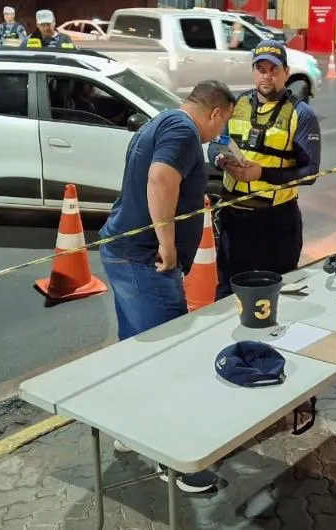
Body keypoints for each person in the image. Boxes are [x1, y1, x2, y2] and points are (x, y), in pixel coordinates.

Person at [98, 80, 235, 493]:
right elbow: (160, 180)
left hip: (122, 249)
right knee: (168, 356)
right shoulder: (183, 132)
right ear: (215, 113)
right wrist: (167, 244)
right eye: (223, 123)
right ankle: (174, 460)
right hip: (145, 258)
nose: (220, 133)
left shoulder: (161, 121)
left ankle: (129, 427)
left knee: (137, 348)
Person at [208, 40, 322, 299]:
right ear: (253, 71)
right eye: (261, 69)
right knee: (228, 291)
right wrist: (221, 161)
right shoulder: (236, 104)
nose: (266, 75)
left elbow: (311, 172)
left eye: (274, 69)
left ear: (286, 72)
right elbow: (216, 144)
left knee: (276, 293)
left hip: (276, 222)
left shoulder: (301, 114)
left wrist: (262, 175)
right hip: (233, 218)